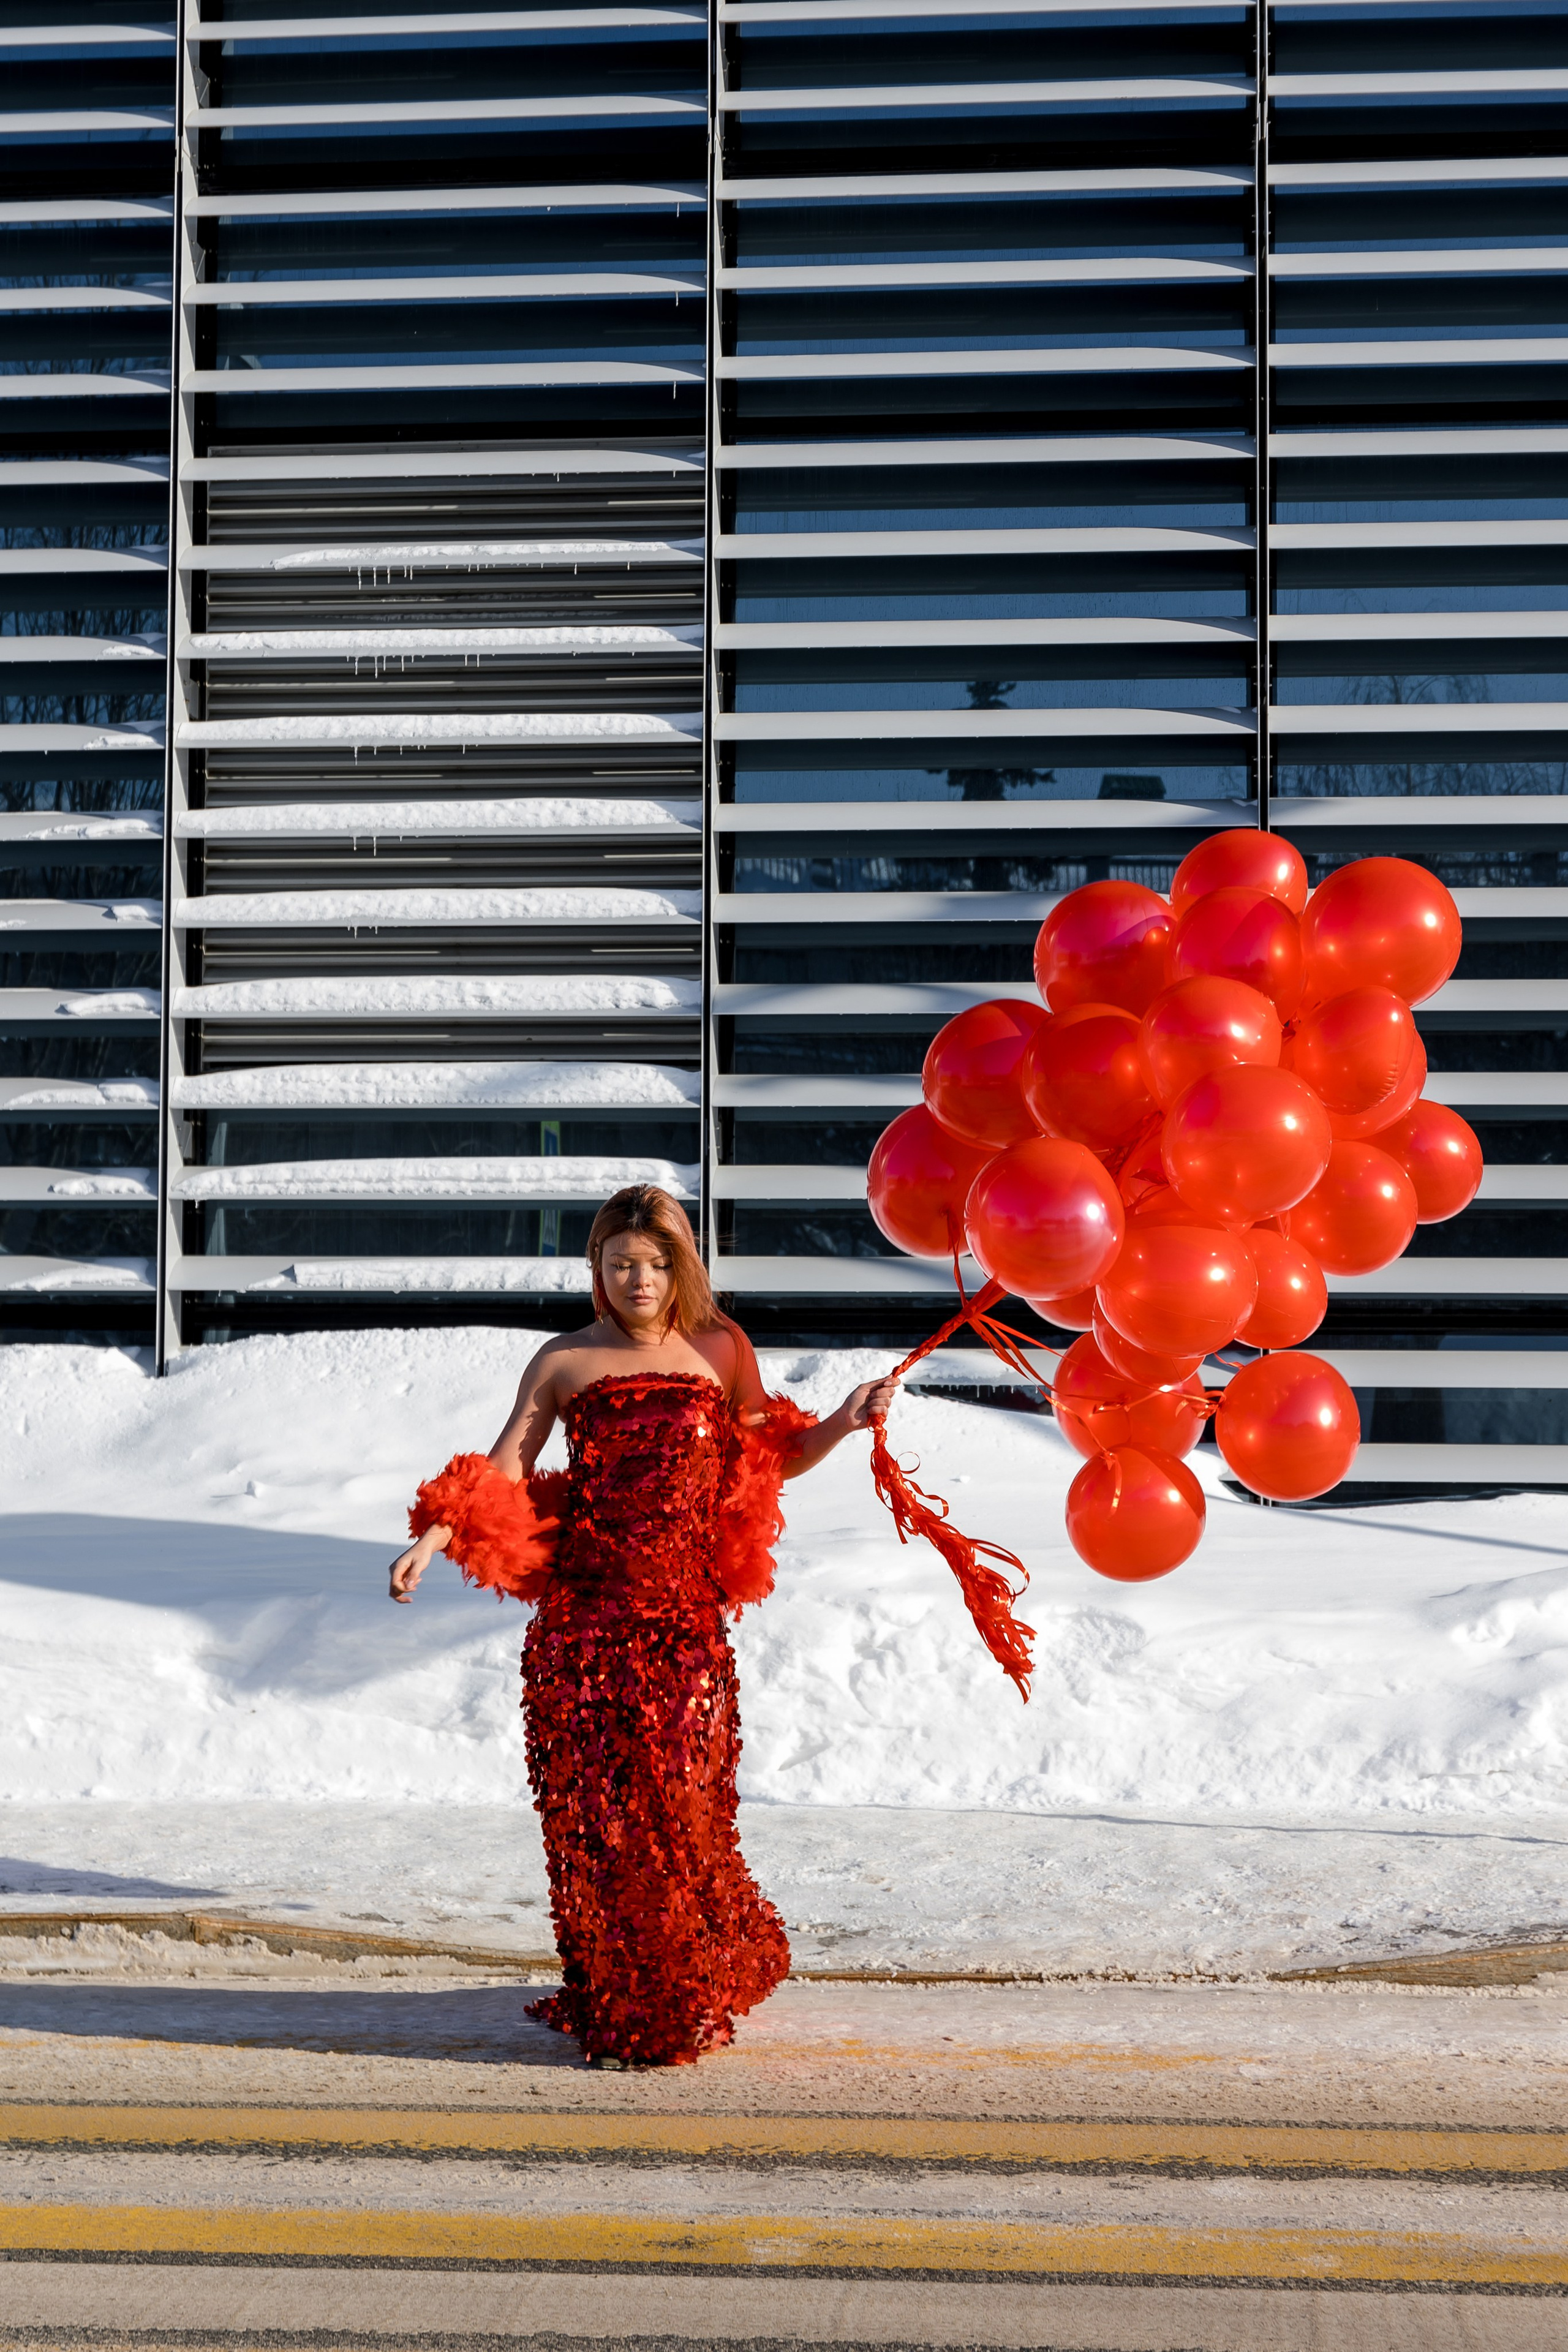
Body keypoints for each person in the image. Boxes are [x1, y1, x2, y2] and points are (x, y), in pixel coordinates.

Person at [388, 1182, 899, 2069]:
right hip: (583, 1632)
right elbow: (505, 1464)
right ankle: (635, 2002)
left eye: (656, 1264)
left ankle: (688, 1973)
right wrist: (434, 1538)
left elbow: (768, 1462)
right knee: (600, 1821)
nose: (638, 1280)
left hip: (684, 1630)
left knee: (686, 1812)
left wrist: (844, 1425)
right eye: (621, 1263)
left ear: (680, 1267)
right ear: (597, 1268)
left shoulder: (719, 1348)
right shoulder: (564, 1361)